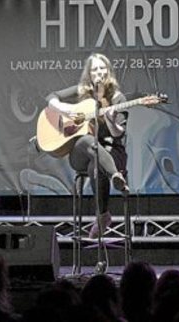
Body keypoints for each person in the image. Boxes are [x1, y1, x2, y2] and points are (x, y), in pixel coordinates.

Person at [46, 53, 129, 238]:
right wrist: (66, 109)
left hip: (111, 152)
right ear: (89, 73)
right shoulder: (82, 91)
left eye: (102, 68)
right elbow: (51, 97)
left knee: (95, 165)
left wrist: (111, 121)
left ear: (108, 71)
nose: (99, 72)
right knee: (86, 140)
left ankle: (102, 216)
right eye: (94, 69)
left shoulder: (118, 98)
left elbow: (118, 134)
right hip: (81, 152)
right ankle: (115, 176)